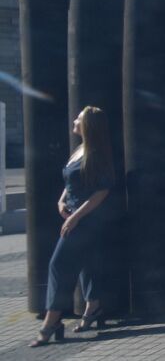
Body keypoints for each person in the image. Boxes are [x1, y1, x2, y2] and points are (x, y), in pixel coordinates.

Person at [31, 106, 116, 347]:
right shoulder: (80, 150)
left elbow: (102, 190)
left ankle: (51, 322)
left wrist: (75, 217)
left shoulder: (96, 153)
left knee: (58, 266)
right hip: (76, 216)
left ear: (87, 125)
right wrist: (61, 201)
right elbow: (70, 181)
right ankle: (93, 308)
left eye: (78, 118)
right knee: (87, 264)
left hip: (86, 220)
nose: (74, 121)